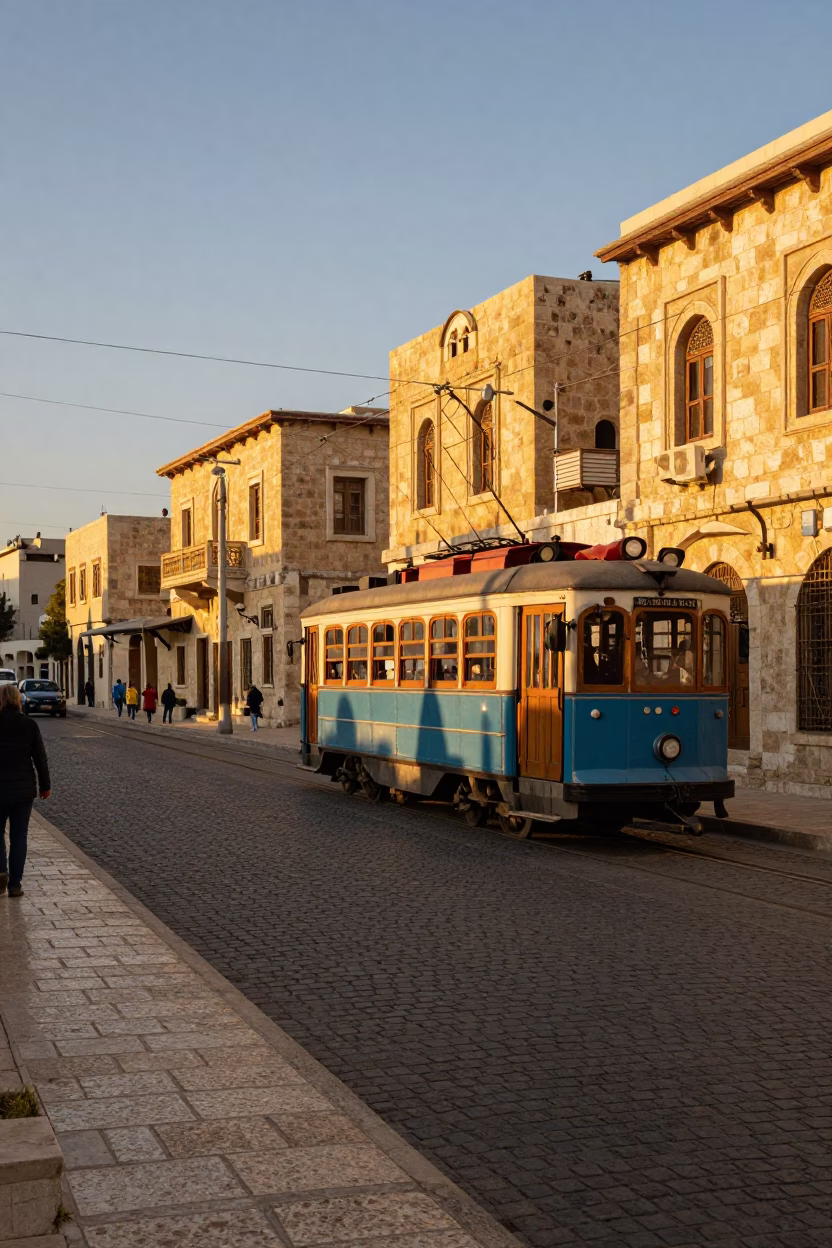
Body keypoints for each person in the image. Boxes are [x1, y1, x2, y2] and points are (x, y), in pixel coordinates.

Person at [0, 683, 50, 898]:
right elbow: (40, 758)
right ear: (18, 700)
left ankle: (1, 871)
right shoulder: (29, 724)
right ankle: (15, 884)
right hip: (23, 790)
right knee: (19, 835)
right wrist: (45, 786)